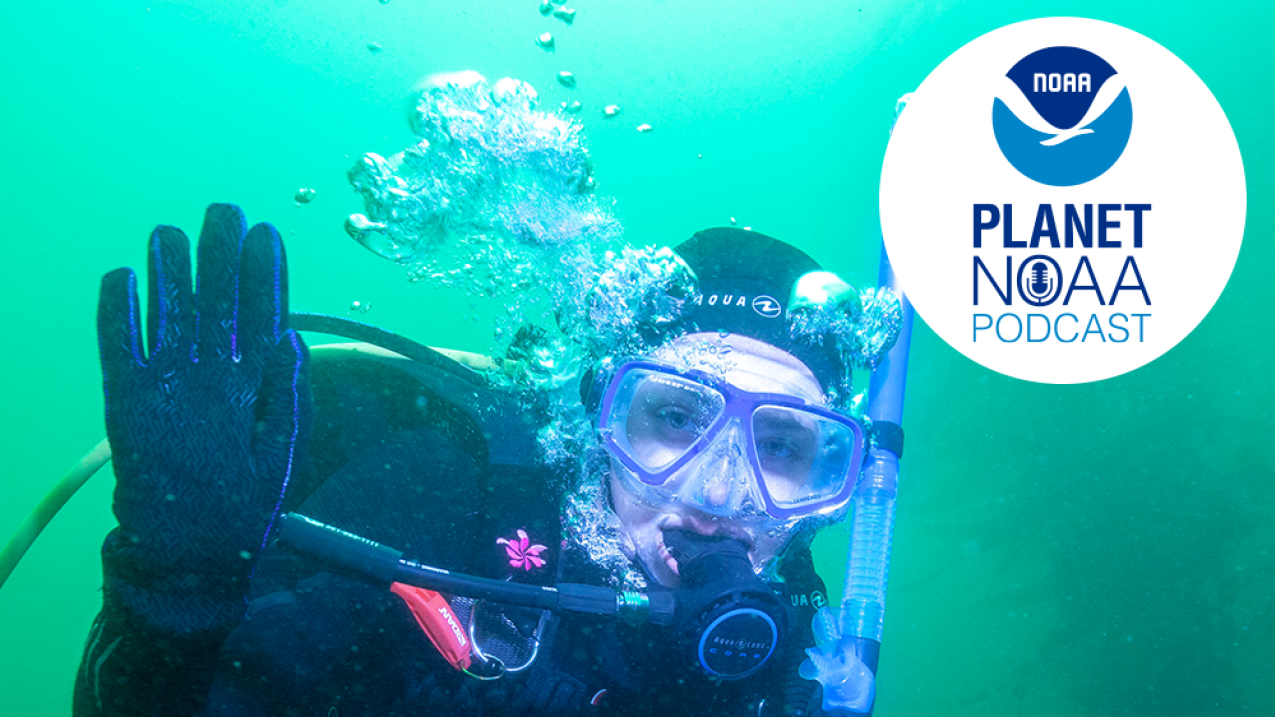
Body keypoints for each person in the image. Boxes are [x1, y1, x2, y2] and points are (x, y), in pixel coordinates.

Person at [75, 203, 889, 716]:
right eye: (675, 417)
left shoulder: (799, 653)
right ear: (600, 417)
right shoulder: (447, 500)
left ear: (833, 480)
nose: (718, 493)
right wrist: (174, 595)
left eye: (781, 444)